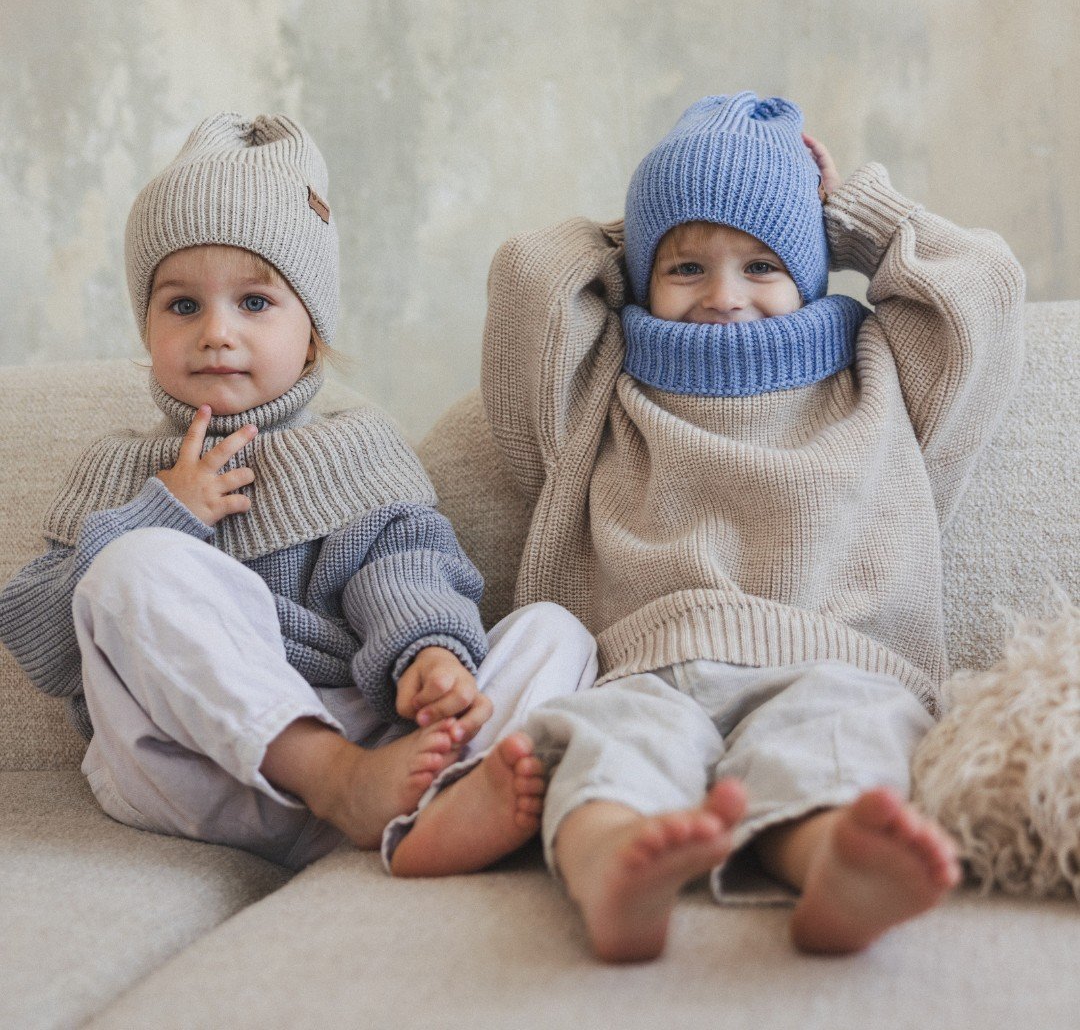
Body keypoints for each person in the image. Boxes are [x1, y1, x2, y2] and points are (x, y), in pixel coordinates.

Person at [387, 93, 1027, 959]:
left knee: (844, 739)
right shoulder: (602, 386)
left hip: (834, 660)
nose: (724, 297)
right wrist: (654, 214)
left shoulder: (880, 373)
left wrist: (848, 217)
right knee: (605, 745)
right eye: (686, 268)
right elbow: (528, 280)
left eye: (762, 264)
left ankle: (835, 860)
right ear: (641, 275)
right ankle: (613, 861)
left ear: (810, 269)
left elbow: (985, 284)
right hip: (648, 668)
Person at [0, 113, 595, 870]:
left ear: (310, 330)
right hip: (198, 767)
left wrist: (427, 657)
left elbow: (401, 567)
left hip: (370, 735)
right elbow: (48, 646)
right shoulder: (120, 470)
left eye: (254, 303)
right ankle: (342, 783)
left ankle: (437, 809)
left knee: (555, 630)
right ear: (146, 326)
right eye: (183, 305)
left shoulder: (354, 447)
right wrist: (165, 513)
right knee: (130, 566)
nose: (217, 332)